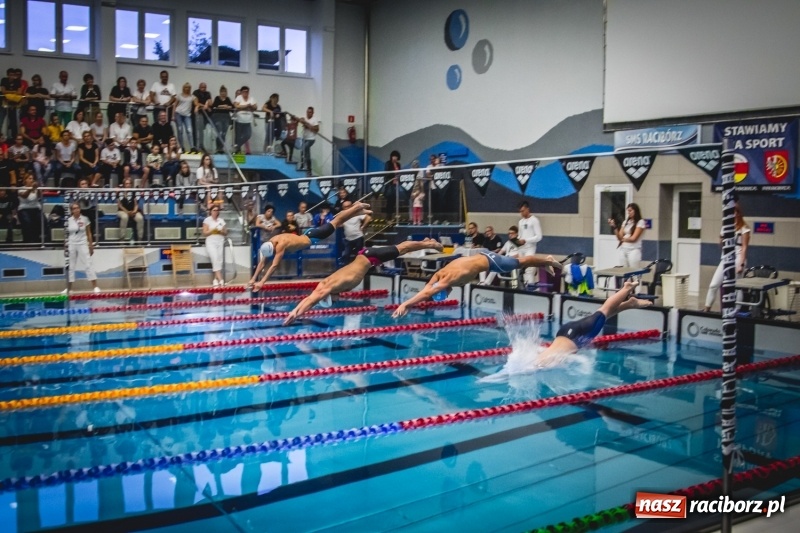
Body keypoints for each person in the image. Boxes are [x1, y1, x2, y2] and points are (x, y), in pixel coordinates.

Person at [284, 238, 444, 325]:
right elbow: (310, 299)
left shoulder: (329, 287)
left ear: (328, 296)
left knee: (402, 249)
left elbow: (312, 299)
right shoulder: (324, 284)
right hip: (365, 256)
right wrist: (297, 312)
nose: (337, 300)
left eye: (333, 301)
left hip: (370, 257)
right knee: (401, 248)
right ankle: (426, 242)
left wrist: (294, 313)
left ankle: (428, 243)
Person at [392, 251, 563, 318]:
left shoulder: (448, 279)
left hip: (490, 262)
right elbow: (427, 289)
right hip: (483, 255)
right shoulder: (438, 275)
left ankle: (547, 260)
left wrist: (405, 304)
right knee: (519, 261)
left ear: (442, 289)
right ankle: (543, 262)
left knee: (520, 263)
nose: (449, 293)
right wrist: (410, 304)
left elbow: (427, 294)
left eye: (445, 293)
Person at [249, 201, 372, 290]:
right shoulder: (272, 240)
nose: (275, 253)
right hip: (309, 234)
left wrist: (262, 282)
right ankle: (358, 211)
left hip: (313, 237)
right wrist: (253, 279)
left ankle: (357, 206)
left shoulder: (280, 245)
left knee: (336, 220)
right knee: (337, 220)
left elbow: (274, 265)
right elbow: (262, 262)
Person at [536, 281, 652, 366]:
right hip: (567, 333)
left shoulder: (539, 364)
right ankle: (630, 304)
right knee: (603, 315)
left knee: (603, 311)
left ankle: (626, 289)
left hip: (575, 336)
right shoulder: (536, 361)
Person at [703, 204, 750, 312]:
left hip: (738, 258)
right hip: (725, 259)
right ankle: (707, 308)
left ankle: (736, 311)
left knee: (736, 286)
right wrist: (721, 239)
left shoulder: (744, 228)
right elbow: (721, 245)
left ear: (738, 213)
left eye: (734, 212)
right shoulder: (725, 226)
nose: (732, 215)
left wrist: (741, 264)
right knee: (714, 285)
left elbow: (744, 247)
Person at [64, 202, 100, 294]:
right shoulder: (68, 220)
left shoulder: (85, 219)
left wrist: (91, 245)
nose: (76, 210)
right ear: (71, 210)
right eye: (74, 208)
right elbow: (66, 234)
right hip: (72, 244)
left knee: (88, 264)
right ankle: (69, 289)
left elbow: (89, 233)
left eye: (77, 208)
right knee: (71, 266)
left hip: (83, 243)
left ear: (80, 209)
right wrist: (66, 245)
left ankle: (95, 287)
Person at [608, 202, 646, 267]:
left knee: (633, 271)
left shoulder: (640, 222)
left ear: (635, 211)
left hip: (634, 250)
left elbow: (633, 238)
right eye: (628, 211)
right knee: (623, 270)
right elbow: (619, 237)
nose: (629, 212)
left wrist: (623, 239)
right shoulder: (626, 222)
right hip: (624, 249)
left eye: (630, 210)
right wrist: (614, 227)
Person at [517, 200, 543, 286]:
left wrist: (526, 240)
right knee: (521, 269)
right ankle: (523, 287)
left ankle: (530, 290)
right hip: (521, 248)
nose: (521, 213)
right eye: (520, 211)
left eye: (523, 211)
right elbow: (520, 235)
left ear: (528, 209)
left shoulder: (534, 220)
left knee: (529, 269)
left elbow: (539, 236)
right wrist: (518, 241)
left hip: (530, 248)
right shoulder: (520, 222)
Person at [203, 204, 228, 287]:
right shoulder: (207, 220)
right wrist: (212, 230)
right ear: (211, 211)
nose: (215, 212)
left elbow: (225, 232)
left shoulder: (221, 220)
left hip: (220, 241)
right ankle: (221, 279)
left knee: (219, 260)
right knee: (215, 258)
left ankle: (215, 280)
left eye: (217, 210)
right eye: (214, 210)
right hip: (211, 242)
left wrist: (220, 232)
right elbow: (205, 233)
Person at [341, 200, 372, 264]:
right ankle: (346, 269)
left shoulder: (356, 213)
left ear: (351, 206)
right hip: (348, 239)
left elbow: (368, 217)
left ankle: (359, 267)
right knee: (346, 254)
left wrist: (363, 226)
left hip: (358, 237)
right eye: (345, 207)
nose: (346, 208)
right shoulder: (342, 214)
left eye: (348, 206)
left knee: (359, 254)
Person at [17, 172, 42, 243]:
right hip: (24, 209)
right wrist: (30, 189)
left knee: (41, 219)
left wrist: (38, 189)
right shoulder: (21, 188)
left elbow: (39, 197)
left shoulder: (35, 189)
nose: (32, 180)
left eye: (33, 179)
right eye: (30, 178)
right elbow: (24, 196)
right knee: (27, 222)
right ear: (25, 180)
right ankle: (28, 241)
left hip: (35, 208)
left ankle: (39, 240)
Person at [117, 178, 144, 243]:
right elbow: (120, 205)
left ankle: (140, 239)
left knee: (140, 218)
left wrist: (134, 211)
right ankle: (122, 239)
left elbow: (136, 204)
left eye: (129, 183)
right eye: (126, 184)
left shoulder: (134, 192)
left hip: (133, 211)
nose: (128, 185)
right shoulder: (120, 193)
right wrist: (127, 212)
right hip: (122, 211)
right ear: (124, 185)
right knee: (125, 217)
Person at [233, 86, 257, 154]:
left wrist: (250, 106)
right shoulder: (239, 97)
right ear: (242, 92)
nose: (246, 93)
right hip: (239, 120)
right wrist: (246, 106)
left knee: (248, 135)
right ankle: (237, 149)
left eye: (247, 91)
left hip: (248, 120)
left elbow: (255, 107)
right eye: (244, 91)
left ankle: (237, 146)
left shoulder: (251, 98)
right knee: (238, 136)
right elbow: (236, 106)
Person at [211, 86, 234, 153]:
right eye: (222, 92)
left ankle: (221, 148)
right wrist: (223, 106)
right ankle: (218, 147)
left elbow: (231, 107)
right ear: (220, 92)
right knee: (220, 132)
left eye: (224, 92)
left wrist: (227, 106)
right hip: (218, 117)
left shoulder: (228, 99)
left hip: (226, 117)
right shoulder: (217, 98)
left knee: (224, 133)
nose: (223, 93)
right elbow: (215, 105)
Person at [173, 82, 195, 152]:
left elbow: (197, 103)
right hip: (178, 113)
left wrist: (197, 107)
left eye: (188, 87)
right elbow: (174, 105)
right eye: (186, 87)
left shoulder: (192, 97)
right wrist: (172, 116)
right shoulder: (179, 96)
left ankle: (192, 147)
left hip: (187, 115)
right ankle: (182, 147)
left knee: (189, 130)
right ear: (183, 88)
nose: (187, 89)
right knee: (180, 130)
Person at [192, 82, 212, 153]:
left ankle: (201, 145)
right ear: (199, 87)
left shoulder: (207, 93)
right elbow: (196, 103)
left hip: (204, 115)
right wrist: (205, 106)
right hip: (197, 114)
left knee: (202, 131)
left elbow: (210, 102)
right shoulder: (195, 92)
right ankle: (196, 146)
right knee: (197, 131)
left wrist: (207, 103)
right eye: (202, 87)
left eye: (204, 87)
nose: (203, 89)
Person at [297, 106, 319, 171]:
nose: (308, 113)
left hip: (311, 139)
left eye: (310, 112)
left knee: (303, 149)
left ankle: (303, 165)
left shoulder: (314, 119)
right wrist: (302, 120)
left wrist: (309, 126)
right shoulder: (305, 117)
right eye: (307, 112)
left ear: (312, 113)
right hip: (304, 138)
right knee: (306, 153)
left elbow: (317, 129)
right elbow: (300, 120)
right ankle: (309, 168)